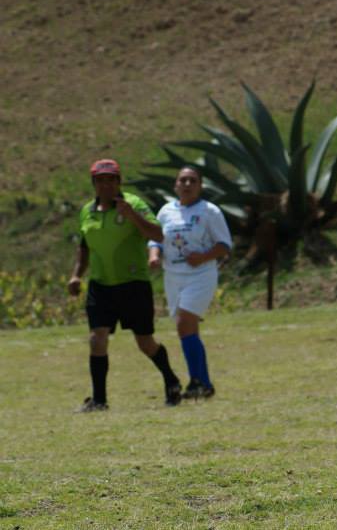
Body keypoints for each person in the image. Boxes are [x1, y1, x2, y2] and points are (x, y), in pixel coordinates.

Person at [67, 159, 183, 411]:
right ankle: (99, 400)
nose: (106, 185)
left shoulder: (135, 204)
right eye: (100, 180)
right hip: (100, 285)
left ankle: (171, 379)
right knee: (97, 339)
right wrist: (76, 275)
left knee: (145, 343)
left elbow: (157, 234)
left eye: (111, 179)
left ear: (119, 182)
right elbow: (84, 246)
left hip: (133, 285)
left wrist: (132, 216)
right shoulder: (87, 211)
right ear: (94, 184)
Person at [148, 167, 232, 400]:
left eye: (192, 181)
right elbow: (156, 238)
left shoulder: (209, 212)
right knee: (188, 328)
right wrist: (154, 255)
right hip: (173, 276)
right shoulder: (166, 211)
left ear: (200, 185)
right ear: (175, 185)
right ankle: (203, 384)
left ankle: (197, 381)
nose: (187, 184)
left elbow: (224, 245)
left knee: (184, 324)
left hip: (200, 275)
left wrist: (203, 256)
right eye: (182, 180)